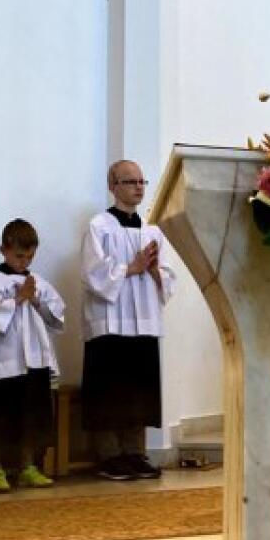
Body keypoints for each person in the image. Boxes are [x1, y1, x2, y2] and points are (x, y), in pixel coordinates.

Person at [81, 160, 177, 481]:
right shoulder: (99, 226)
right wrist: (131, 268)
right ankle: (109, 455)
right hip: (111, 323)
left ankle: (135, 453)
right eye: (130, 181)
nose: (138, 187)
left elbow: (169, 276)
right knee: (111, 390)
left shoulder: (152, 230)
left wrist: (154, 270)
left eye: (141, 181)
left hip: (144, 321)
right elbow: (92, 274)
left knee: (138, 390)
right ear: (113, 186)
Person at [0, 220, 65, 492]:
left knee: (31, 416)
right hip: (3, 362)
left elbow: (56, 316)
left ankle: (27, 467)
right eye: (19, 256)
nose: (24, 262)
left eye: (30, 257)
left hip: (34, 359)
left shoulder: (37, 282)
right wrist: (19, 298)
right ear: (4, 250)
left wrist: (35, 299)